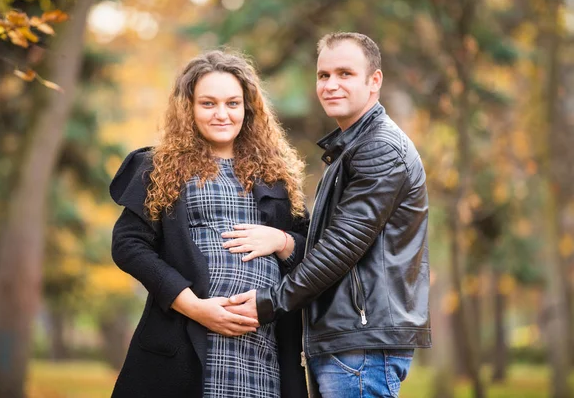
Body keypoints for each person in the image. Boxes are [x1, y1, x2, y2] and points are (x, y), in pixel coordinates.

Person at [226, 32, 431, 398]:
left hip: (361, 345)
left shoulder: (379, 149)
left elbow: (341, 249)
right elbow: (342, 245)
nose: (331, 85)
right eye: (324, 75)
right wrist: (286, 242)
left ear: (374, 81)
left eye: (345, 74)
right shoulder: (351, 147)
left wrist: (268, 303)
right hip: (347, 341)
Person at [109, 50, 309, 398]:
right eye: (208, 103)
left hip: (260, 351)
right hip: (184, 342)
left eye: (232, 103)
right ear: (189, 108)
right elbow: (128, 245)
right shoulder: (159, 167)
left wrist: (280, 240)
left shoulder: (278, 175)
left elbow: (311, 247)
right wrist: (195, 307)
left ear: (247, 109)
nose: (221, 114)